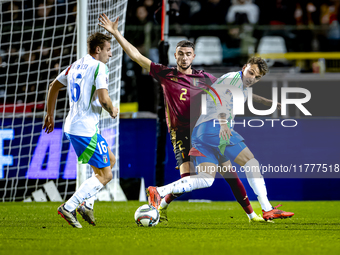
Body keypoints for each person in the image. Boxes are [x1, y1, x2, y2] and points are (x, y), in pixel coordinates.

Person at [98, 13, 279, 223]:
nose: (184, 57)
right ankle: (162, 203)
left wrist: (266, 102)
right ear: (175, 56)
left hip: (203, 131)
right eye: (181, 54)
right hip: (181, 134)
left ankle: (252, 215)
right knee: (189, 180)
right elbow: (137, 56)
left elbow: (234, 90)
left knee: (229, 173)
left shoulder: (204, 78)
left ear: (193, 56)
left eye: (188, 54)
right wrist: (116, 33)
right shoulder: (165, 74)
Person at [151, 57, 294, 221]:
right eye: (250, 73)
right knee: (251, 163)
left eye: (257, 77)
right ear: (244, 67)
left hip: (201, 133)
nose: (252, 78)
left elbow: (248, 95)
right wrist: (223, 123)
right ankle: (267, 209)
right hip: (216, 129)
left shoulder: (242, 85)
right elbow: (219, 98)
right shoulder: (232, 79)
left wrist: (270, 102)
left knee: (206, 179)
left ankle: (158, 191)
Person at [43, 32, 118, 228]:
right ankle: (69, 206)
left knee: (110, 160)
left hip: (75, 125)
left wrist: (50, 114)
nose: (110, 55)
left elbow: (53, 86)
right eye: (108, 50)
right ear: (98, 49)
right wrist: (113, 109)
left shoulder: (75, 65)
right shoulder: (99, 67)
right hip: (84, 129)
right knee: (106, 175)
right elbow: (103, 99)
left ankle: (87, 204)